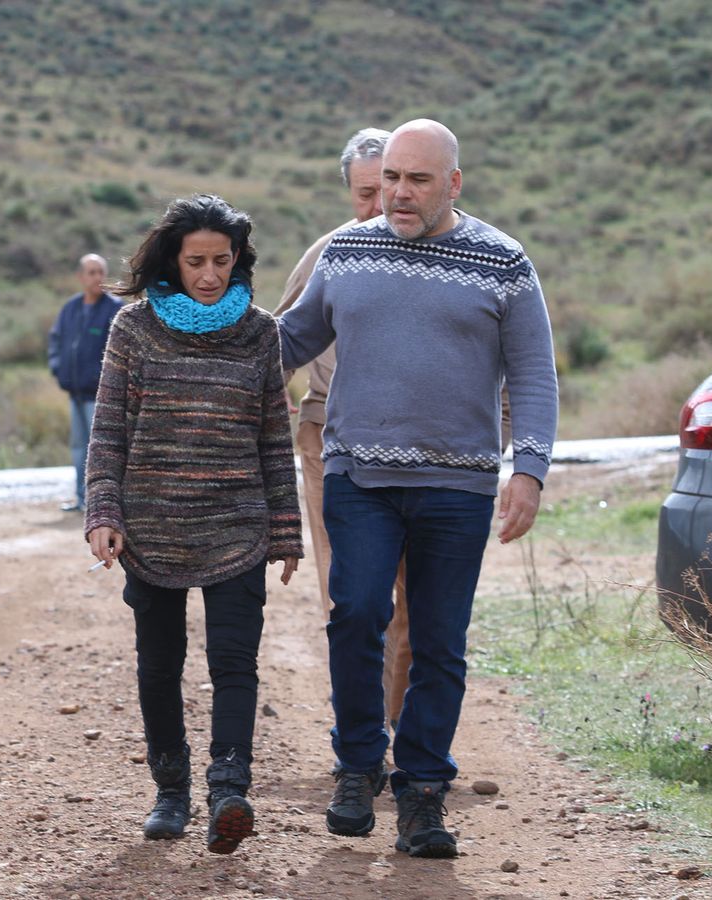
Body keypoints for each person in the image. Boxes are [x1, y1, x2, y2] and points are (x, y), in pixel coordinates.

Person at [278, 120, 557, 858]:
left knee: (438, 639)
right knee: (356, 614)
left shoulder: (504, 263)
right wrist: (201, 337)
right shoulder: (345, 251)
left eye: (417, 180)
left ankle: (423, 793)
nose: (398, 194)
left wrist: (529, 470)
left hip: (457, 487)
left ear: (453, 184)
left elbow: (534, 372)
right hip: (359, 477)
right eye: (391, 178)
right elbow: (289, 340)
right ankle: (357, 765)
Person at [85, 194, 303, 855]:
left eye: (221, 261)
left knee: (235, 662)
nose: (209, 275)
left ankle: (229, 788)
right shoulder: (133, 329)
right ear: (172, 261)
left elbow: (275, 436)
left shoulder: (261, 333)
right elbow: (109, 429)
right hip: (150, 528)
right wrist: (103, 512)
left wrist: (286, 529)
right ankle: (171, 791)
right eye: (196, 262)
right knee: (159, 665)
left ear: (238, 261)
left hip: (238, 524)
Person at [272, 127, 418, 730]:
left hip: (421, 450)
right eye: (365, 193)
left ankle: (396, 722)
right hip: (329, 440)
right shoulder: (330, 253)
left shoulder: (446, 254)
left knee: (416, 598)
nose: (379, 205)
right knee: (349, 594)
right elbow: (279, 341)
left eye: (388, 187)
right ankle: (361, 734)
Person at [48, 253, 124, 512]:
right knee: (79, 448)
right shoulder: (71, 308)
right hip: (76, 393)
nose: (97, 277)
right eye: (91, 272)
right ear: (80, 277)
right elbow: (56, 340)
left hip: (102, 397)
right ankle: (82, 499)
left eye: (101, 272)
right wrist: (58, 369)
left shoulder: (115, 309)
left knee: (102, 450)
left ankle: (101, 503)